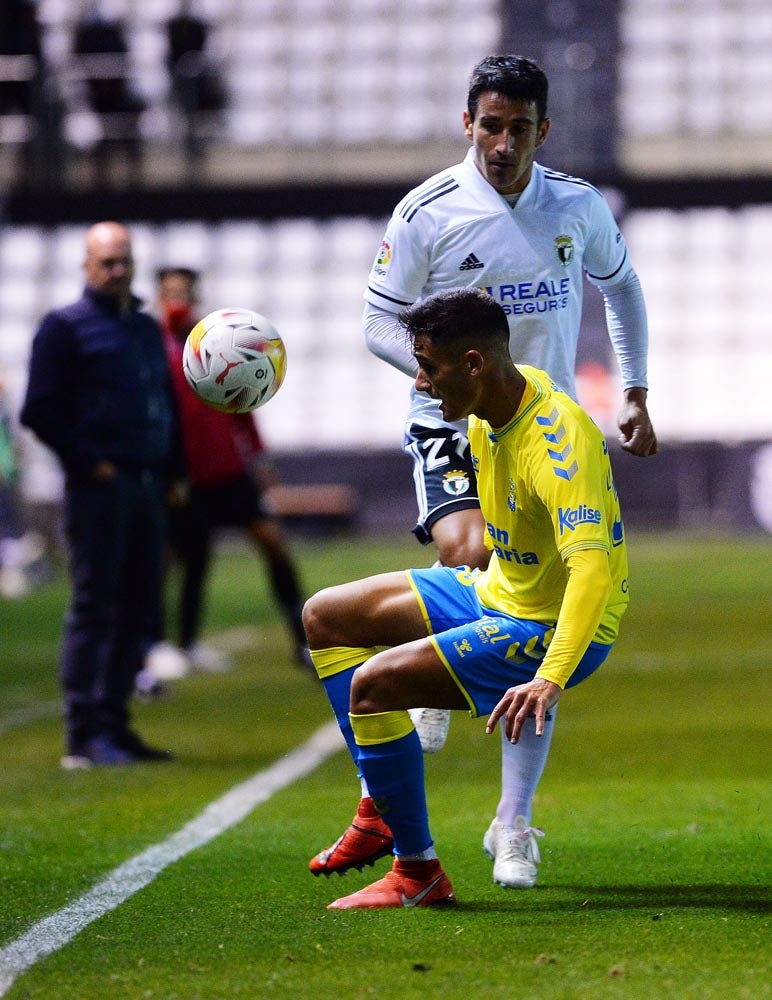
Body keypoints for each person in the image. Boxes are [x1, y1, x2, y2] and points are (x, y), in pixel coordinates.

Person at [354, 53, 657, 889]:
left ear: (541, 131)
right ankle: (443, 661)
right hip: (457, 428)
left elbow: (622, 288)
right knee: (468, 547)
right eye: (490, 125)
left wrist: (632, 390)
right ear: (468, 124)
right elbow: (377, 320)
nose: (502, 142)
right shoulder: (428, 212)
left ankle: (512, 824)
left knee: (540, 622)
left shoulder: (577, 205)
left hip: (541, 434)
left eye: (519, 128)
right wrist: (434, 373)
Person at [303, 287, 629, 908]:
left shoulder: (560, 443)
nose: (421, 383)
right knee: (326, 615)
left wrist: (550, 678)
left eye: (429, 366)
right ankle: (378, 804)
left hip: (546, 627)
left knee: (372, 687)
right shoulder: (496, 399)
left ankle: (416, 873)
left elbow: (592, 573)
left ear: (474, 363)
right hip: (495, 590)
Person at [20, 221, 180, 768]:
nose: (116, 270)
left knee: (141, 608)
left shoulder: (142, 327)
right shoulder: (64, 328)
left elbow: (164, 403)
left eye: (123, 260)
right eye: (105, 262)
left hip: (147, 486)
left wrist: (171, 469)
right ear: (87, 267)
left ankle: (115, 725)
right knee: (95, 606)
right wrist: (92, 464)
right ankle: (83, 735)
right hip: (98, 491)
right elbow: (38, 410)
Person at [142, 267, 310, 680]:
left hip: (228, 470)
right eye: (170, 293)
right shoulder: (152, 348)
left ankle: (303, 640)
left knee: (272, 543)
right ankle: (165, 644)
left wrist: (259, 460)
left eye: (183, 292)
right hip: (185, 476)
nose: (177, 299)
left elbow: (242, 406)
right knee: (182, 559)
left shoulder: (216, 340)